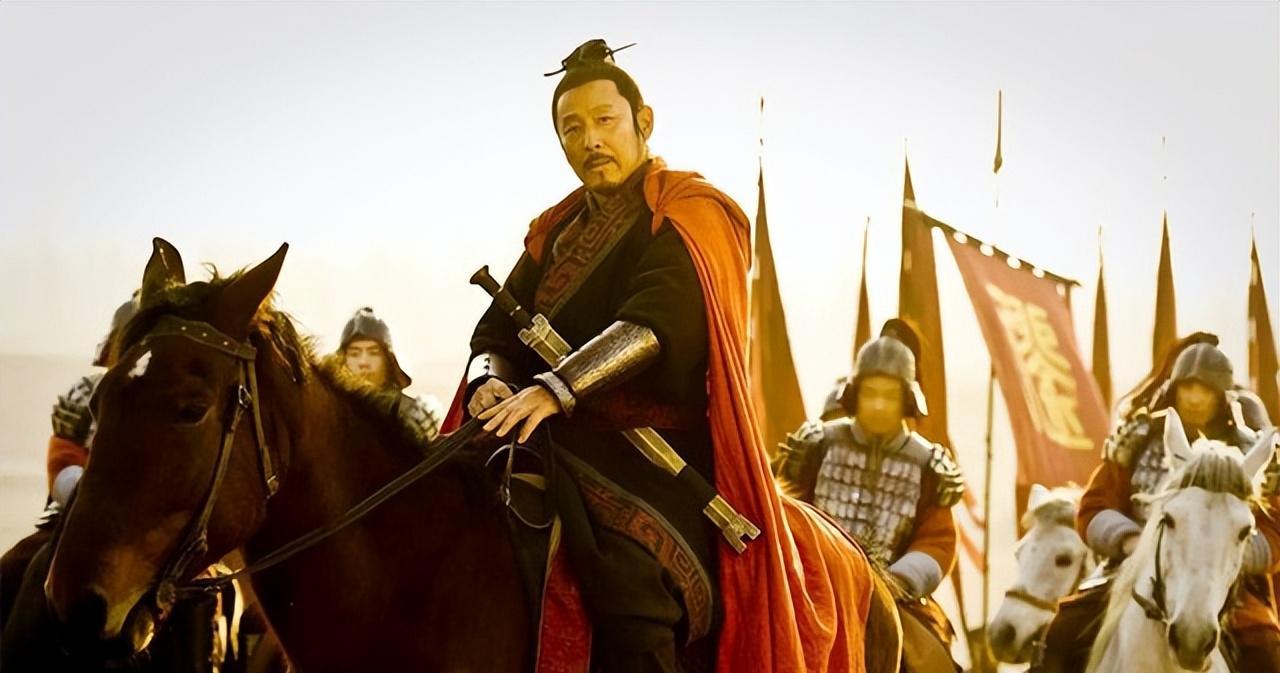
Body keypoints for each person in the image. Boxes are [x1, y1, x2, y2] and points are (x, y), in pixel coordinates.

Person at [456, 38, 868, 673]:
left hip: (658, 456)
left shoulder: (688, 212)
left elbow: (657, 325)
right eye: (572, 128)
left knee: (631, 590)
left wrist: (555, 389)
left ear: (642, 121)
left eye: (604, 120)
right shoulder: (555, 230)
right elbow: (495, 334)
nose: (590, 140)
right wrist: (488, 379)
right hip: (548, 440)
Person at [1040, 335, 1280, 673]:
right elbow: (1094, 505)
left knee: (1267, 655)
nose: (1194, 398)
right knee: (1060, 635)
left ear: (1222, 396)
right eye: (1188, 387)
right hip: (1131, 568)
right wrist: (1130, 541)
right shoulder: (1137, 441)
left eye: (1205, 390)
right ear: (1174, 389)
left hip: (1229, 583)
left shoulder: (1250, 453)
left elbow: (1274, 530)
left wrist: (1229, 552)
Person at [773, 318, 965, 670]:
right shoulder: (817, 445)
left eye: (889, 396)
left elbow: (937, 541)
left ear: (906, 400)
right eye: (870, 393)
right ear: (855, 394)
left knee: (932, 661)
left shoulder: (928, 464)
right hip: (813, 586)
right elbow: (787, 509)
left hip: (898, 595)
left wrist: (896, 582)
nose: (878, 404)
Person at [338, 306, 441, 442]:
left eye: (373, 353)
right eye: (354, 354)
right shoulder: (331, 412)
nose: (363, 362)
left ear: (389, 360)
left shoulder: (412, 414)